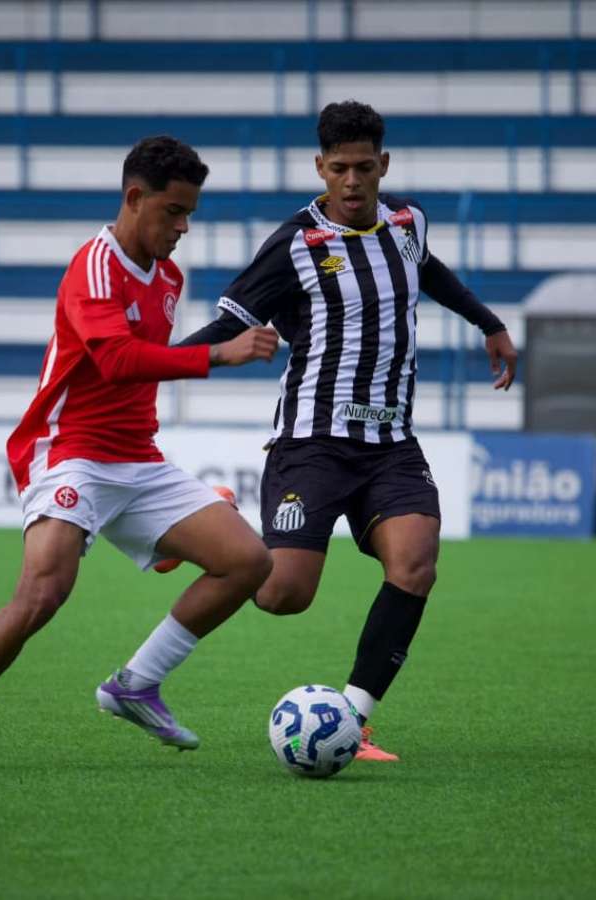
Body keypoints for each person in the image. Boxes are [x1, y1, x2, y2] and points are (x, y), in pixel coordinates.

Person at [0, 136, 280, 775]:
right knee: (43, 593)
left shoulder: (168, 277)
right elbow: (115, 359)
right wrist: (220, 353)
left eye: (190, 213)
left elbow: (144, 368)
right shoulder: (96, 265)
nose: (183, 227)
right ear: (134, 198)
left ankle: (136, 684)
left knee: (247, 561)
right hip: (70, 452)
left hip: (138, 458)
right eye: (173, 211)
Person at [178, 101, 519, 761]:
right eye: (340, 168)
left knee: (415, 564)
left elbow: (428, 269)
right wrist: (155, 367)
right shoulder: (294, 244)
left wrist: (489, 323)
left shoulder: (408, 222)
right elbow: (229, 321)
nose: (353, 181)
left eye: (365, 167)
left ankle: (353, 719)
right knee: (283, 595)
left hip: (391, 445)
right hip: (313, 442)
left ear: (383, 164)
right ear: (320, 168)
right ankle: (218, 529)